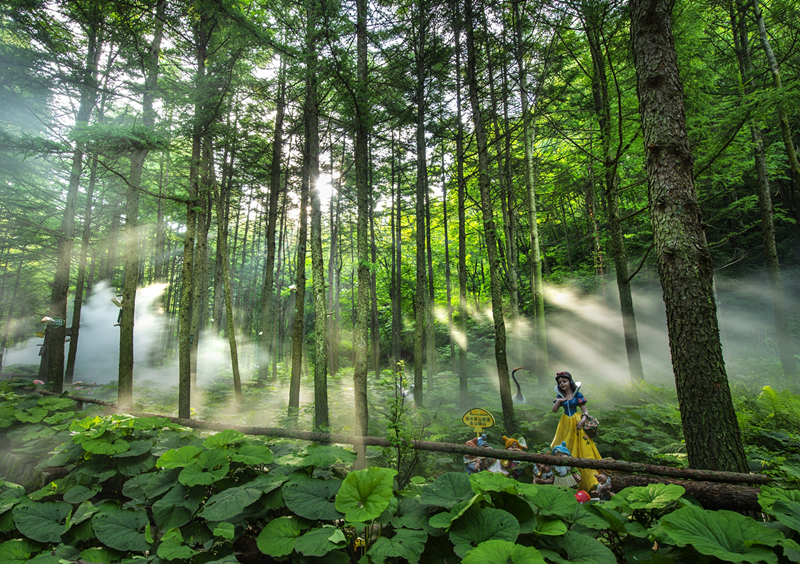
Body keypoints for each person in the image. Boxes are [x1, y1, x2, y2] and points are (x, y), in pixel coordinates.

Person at [551, 371, 602, 489]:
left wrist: (583, 420)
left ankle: (589, 481)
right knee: (565, 443)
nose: (562, 384)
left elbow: (586, 411)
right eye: (560, 383)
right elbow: (554, 410)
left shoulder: (577, 395)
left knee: (582, 447)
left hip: (576, 421)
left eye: (564, 381)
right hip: (565, 422)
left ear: (570, 382)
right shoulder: (560, 397)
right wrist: (559, 401)